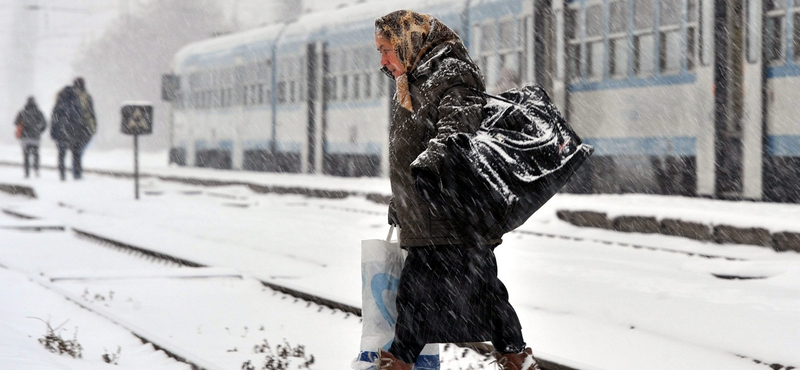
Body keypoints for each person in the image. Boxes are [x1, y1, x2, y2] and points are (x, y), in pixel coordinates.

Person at [375, 10, 540, 370]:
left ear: (408, 42)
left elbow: (457, 130)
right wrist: (401, 199)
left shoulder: (452, 74)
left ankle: (400, 361)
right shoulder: (411, 82)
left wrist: (433, 160)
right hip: (429, 212)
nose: (383, 61)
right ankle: (516, 358)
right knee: (472, 294)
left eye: (386, 49)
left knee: (431, 295)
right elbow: (411, 151)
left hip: (452, 213)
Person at [51, 85, 86, 180]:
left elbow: (54, 119)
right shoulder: (77, 103)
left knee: (61, 155)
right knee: (76, 154)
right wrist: (81, 132)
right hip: (74, 133)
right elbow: (80, 119)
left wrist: (53, 133)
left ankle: (62, 174)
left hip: (61, 133)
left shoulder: (59, 103)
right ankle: (77, 174)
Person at [14, 97, 47, 178]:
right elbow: (44, 124)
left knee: (26, 156)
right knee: (36, 154)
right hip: (35, 138)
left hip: (25, 138)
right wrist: (39, 131)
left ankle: (27, 172)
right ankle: (36, 170)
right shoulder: (39, 112)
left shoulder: (22, 112)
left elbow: (15, 122)